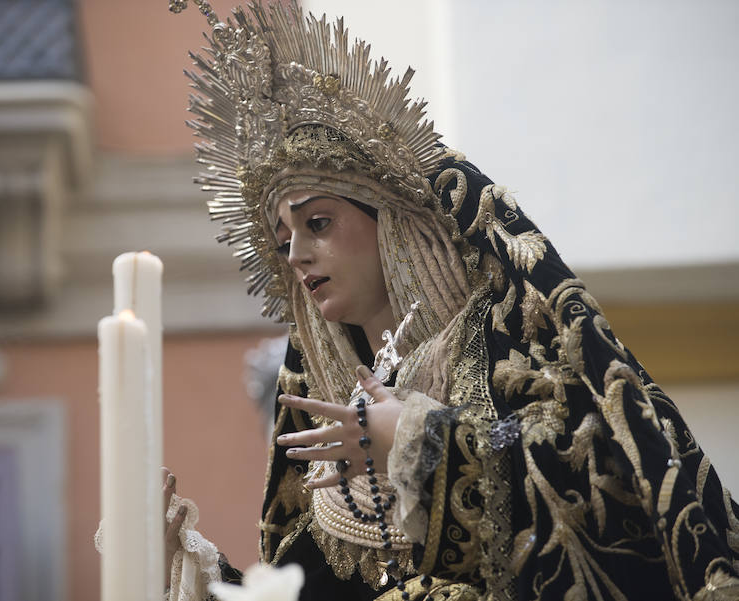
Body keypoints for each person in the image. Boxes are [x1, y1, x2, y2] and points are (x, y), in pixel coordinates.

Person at [164, 1, 739, 600]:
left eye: (320, 223)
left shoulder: (503, 349)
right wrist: (192, 577)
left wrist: (420, 445)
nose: (297, 255)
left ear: (394, 223)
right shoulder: (328, 442)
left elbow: (601, 481)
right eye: (284, 241)